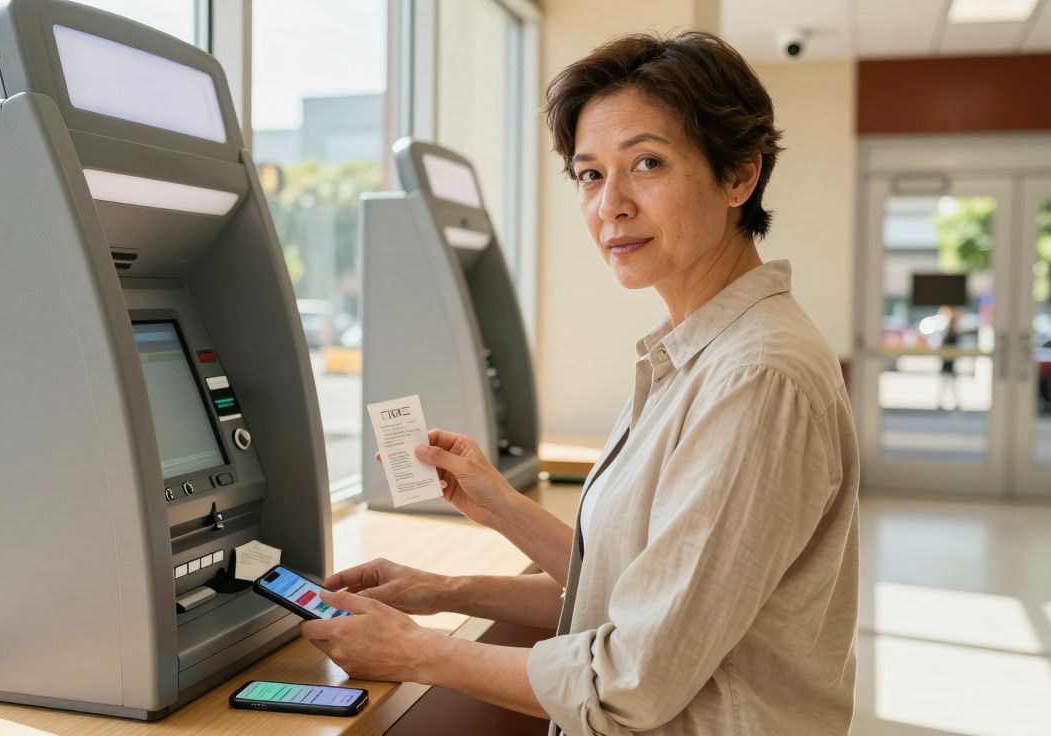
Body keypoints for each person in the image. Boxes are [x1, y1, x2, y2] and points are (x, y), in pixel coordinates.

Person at [300, 31, 860, 735]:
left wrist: (417, 653)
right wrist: (454, 567)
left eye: (646, 164)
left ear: (739, 175)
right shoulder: (696, 351)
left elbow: (632, 680)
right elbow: (636, 588)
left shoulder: (755, 378)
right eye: (590, 175)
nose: (610, 206)